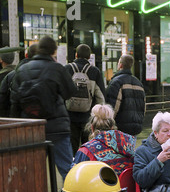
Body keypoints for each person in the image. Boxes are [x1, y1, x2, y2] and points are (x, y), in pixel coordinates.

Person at [9, 36, 77, 181]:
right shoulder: (57, 68)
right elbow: (70, 92)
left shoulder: (22, 70)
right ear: (54, 50)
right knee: (67, 169)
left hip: (31, 127)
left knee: (33, 170)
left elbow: (14, 102)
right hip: (57, 127)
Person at [65, 44, 106, 156]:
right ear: (89, 57)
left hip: (70, 116)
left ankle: (72, 169)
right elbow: (101, 97)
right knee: (87, 148)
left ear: (76, 55)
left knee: (71, 147)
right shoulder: (94, 71)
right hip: (87, 117)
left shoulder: (67, 69)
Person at [72, 104, 135, 176]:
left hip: (99, 187)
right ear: (112, 127)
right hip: (126, 187)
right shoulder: (129, 145)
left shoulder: (86, 151)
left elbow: (75, 177)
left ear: (92, 128)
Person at [105, 54, 145, 137]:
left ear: (120, 65)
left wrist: (108, 124)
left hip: (120, 127)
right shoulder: (138, 83)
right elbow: (143, 106)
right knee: (130, 149)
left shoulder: (116, 82)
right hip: (135, 127)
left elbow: (113, 107)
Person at [0, 44, 38, 117]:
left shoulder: (11, 76)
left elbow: (3, 102)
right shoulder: (52, 73)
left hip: (18, 119)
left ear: (26, 55)